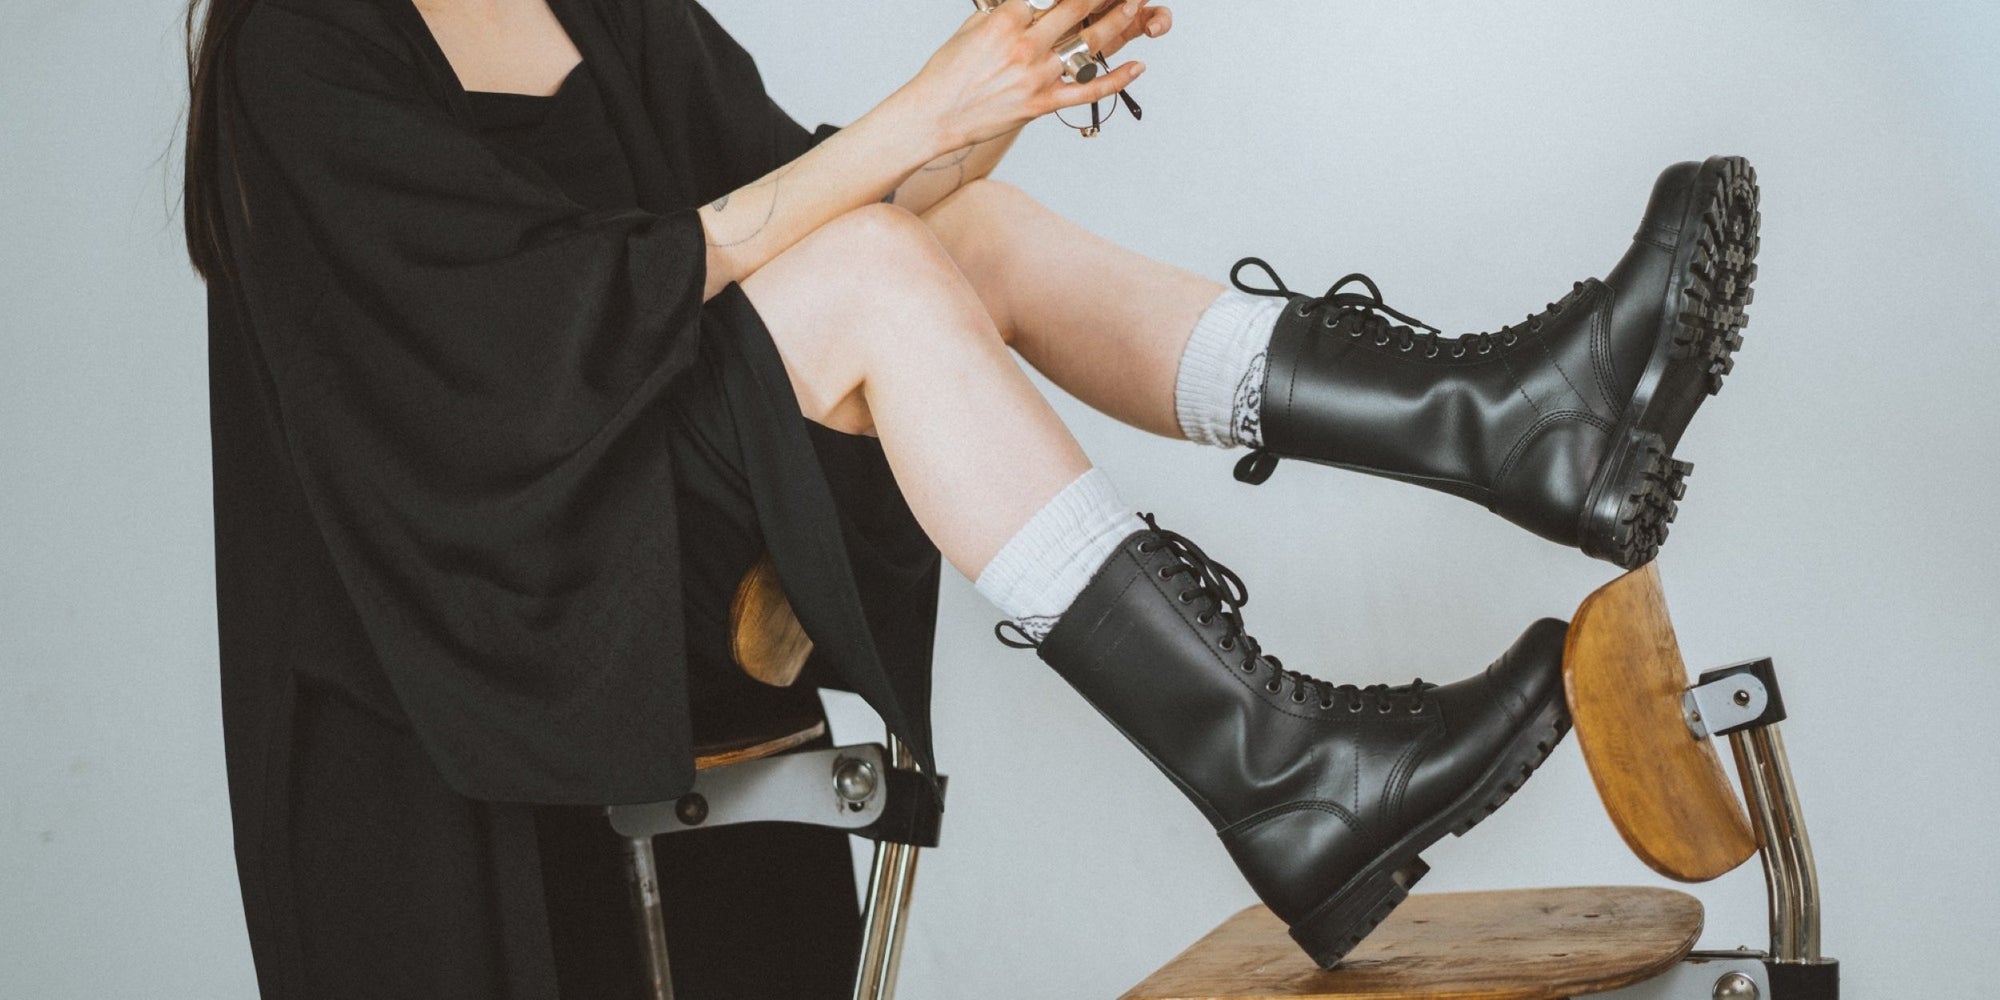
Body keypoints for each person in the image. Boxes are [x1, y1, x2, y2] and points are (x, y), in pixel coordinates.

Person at [181, 0, 1759, 995]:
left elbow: (798, 215)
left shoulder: (595, 3)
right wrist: (901, 131)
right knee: (877, 259)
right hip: (493, 606)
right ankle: (1276, 763)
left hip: (661, 548)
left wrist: (983, 114)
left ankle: (1509, 426)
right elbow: (539, 333)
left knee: (969, 236)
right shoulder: (299, 42)